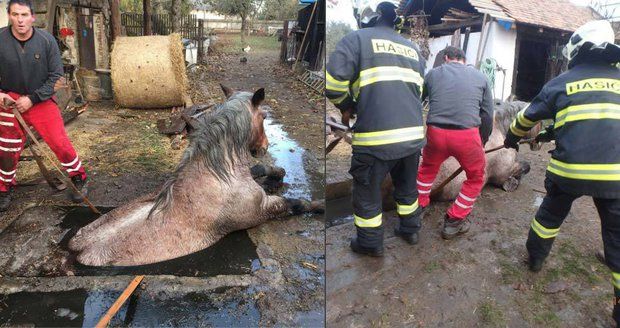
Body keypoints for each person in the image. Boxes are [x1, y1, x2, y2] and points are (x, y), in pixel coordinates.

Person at [503, 20, 620, 323]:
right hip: (616, 177)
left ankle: (536, 259)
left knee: (549, 218)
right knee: (618, 237)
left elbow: (525, 117)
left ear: (577, 50)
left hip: (569, 172)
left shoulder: (562, 82)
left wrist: (512, 137)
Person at [326, 0, 426, 256]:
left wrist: (348, 106)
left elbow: (334, 84)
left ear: (366, 18)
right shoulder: (413, 49)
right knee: (406, 187)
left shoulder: (356, 40)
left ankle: (370, 243)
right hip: (413, 137)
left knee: (367, 192)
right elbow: (419, 92)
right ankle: (411, 230)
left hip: (375, 140)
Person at [0, 0, 89, 210]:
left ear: (33, 17)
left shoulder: (46, 41)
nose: (20, 20)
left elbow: (56, 76)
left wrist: (32, 98)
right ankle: (4, 187)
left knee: (59, 142)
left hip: (39, 98)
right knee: (5, 149)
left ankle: (80, 177)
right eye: (15, 15)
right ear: (9, 16)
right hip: (9, 100)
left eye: (24, 15)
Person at [416, 46, 494, 239]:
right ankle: (454, 221)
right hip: (467, 136)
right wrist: (482, 141)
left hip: (436, 132)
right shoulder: (481, 77)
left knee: (426, 170)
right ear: (464, 59)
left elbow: (417, 102)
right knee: (476, 177)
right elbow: (487, 115)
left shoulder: (432, 74)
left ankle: (417, 208)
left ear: (446, 58)